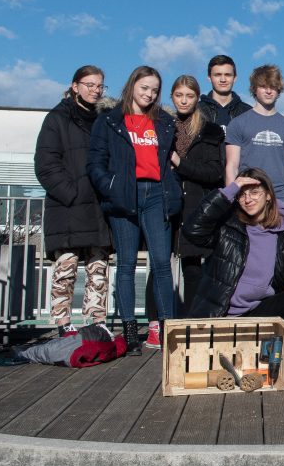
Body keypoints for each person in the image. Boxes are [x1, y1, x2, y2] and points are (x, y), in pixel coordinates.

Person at [88, 66, 182, 353]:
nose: (149, 94)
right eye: (144, 88)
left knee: (162, 264)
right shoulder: (110, 122)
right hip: (125, 195)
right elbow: (95, 162)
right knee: (126, 265)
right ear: (132, 86)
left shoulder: (164, 122)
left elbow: (169, 161)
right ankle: (130, 331)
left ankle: (167, 329)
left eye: (154, 90)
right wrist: (112, 186)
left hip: (156, 195)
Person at [183, 168, 284, 352]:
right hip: (224, 313)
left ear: (269, 196)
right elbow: (193, 229)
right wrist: (232, 188)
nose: (248, 199)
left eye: (254, 192)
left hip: (261, 311)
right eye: (242, 195)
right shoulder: (228, 225)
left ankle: (268, 349)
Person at [35, 65, 112, 337]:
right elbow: (45, 164)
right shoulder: (57, 118)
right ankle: (62, 325)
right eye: (90, 84)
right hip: (67, 208)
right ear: (75, 86)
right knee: (65, 270)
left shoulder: (105, 118)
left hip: (98, 207)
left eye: (100, 85)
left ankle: (96, 324)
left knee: (98, 270)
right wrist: (72, 193)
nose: (96, 90)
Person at [168, 75, 225, 327]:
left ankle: (195, 323)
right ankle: (159, 325)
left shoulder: (209, 130)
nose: (184, 100)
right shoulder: (163, 126)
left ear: (197, 98)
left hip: (196, 205)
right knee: (160, 267)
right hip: (167, 205)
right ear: (172, 97)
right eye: (179, 95)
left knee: (194, 270)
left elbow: (214, 173)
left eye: (189, 96)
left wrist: (181, 164)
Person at [224, 64, 284, 205]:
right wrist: (231, 200)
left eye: (273, 87)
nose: (268, 91)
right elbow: (232, 165)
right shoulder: (237, 124)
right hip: (248, 197)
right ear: (254, 89)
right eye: (263, 86)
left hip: (280, 200)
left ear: (279, 90)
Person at [198, 54, 252, 130]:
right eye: (217, 75)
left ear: (235, 78)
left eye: (228, 75)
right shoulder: (197, 111)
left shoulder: (248, 112)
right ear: (209, 78)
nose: (223, 80)